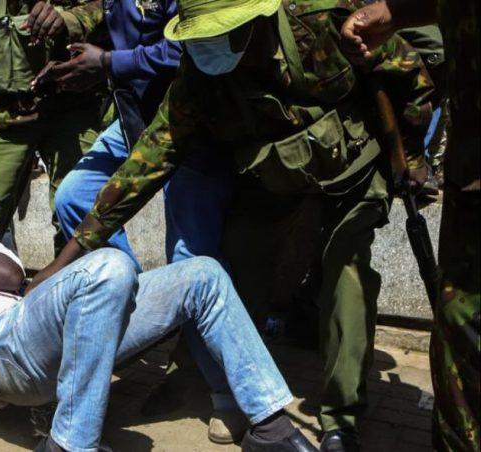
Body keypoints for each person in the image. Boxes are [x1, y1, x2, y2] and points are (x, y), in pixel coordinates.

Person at [28, 0, 436, 450]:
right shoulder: (201, 72)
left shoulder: (324, 21)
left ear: (254, 23)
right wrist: (65, 259)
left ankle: (341, 420)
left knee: (347, 282)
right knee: (233, 275)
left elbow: (411, 76)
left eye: (217, 33)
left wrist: (412, 157)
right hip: (276, 177)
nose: (206, 47)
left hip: (354, 170)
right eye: (198, 37)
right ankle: (239, 396)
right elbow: (143, 168)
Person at [0, 173, 317, 452]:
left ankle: (270, 427)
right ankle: (71, 445)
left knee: (202, 274)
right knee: (108, 267)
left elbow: (9, 276)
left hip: (51, 333)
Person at [42, 0, 247, 444]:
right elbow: (108, 13)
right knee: (75, 195)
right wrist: (68, 25)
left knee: (191, 259)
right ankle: (136, 310)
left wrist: (110, 63)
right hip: (135, 119)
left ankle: (228, 395)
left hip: (191, 124)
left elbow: (188, 46)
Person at [340, 2, 479, 451]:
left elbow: (415, 80)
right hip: (470, 179)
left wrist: (413, 157)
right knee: (457, 323)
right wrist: (392, 12)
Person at [0, 0, 105, 247]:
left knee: (85, 215)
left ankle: (79, 282)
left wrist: (68, 20)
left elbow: (112, 8)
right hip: (4, 114)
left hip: (74, 106)